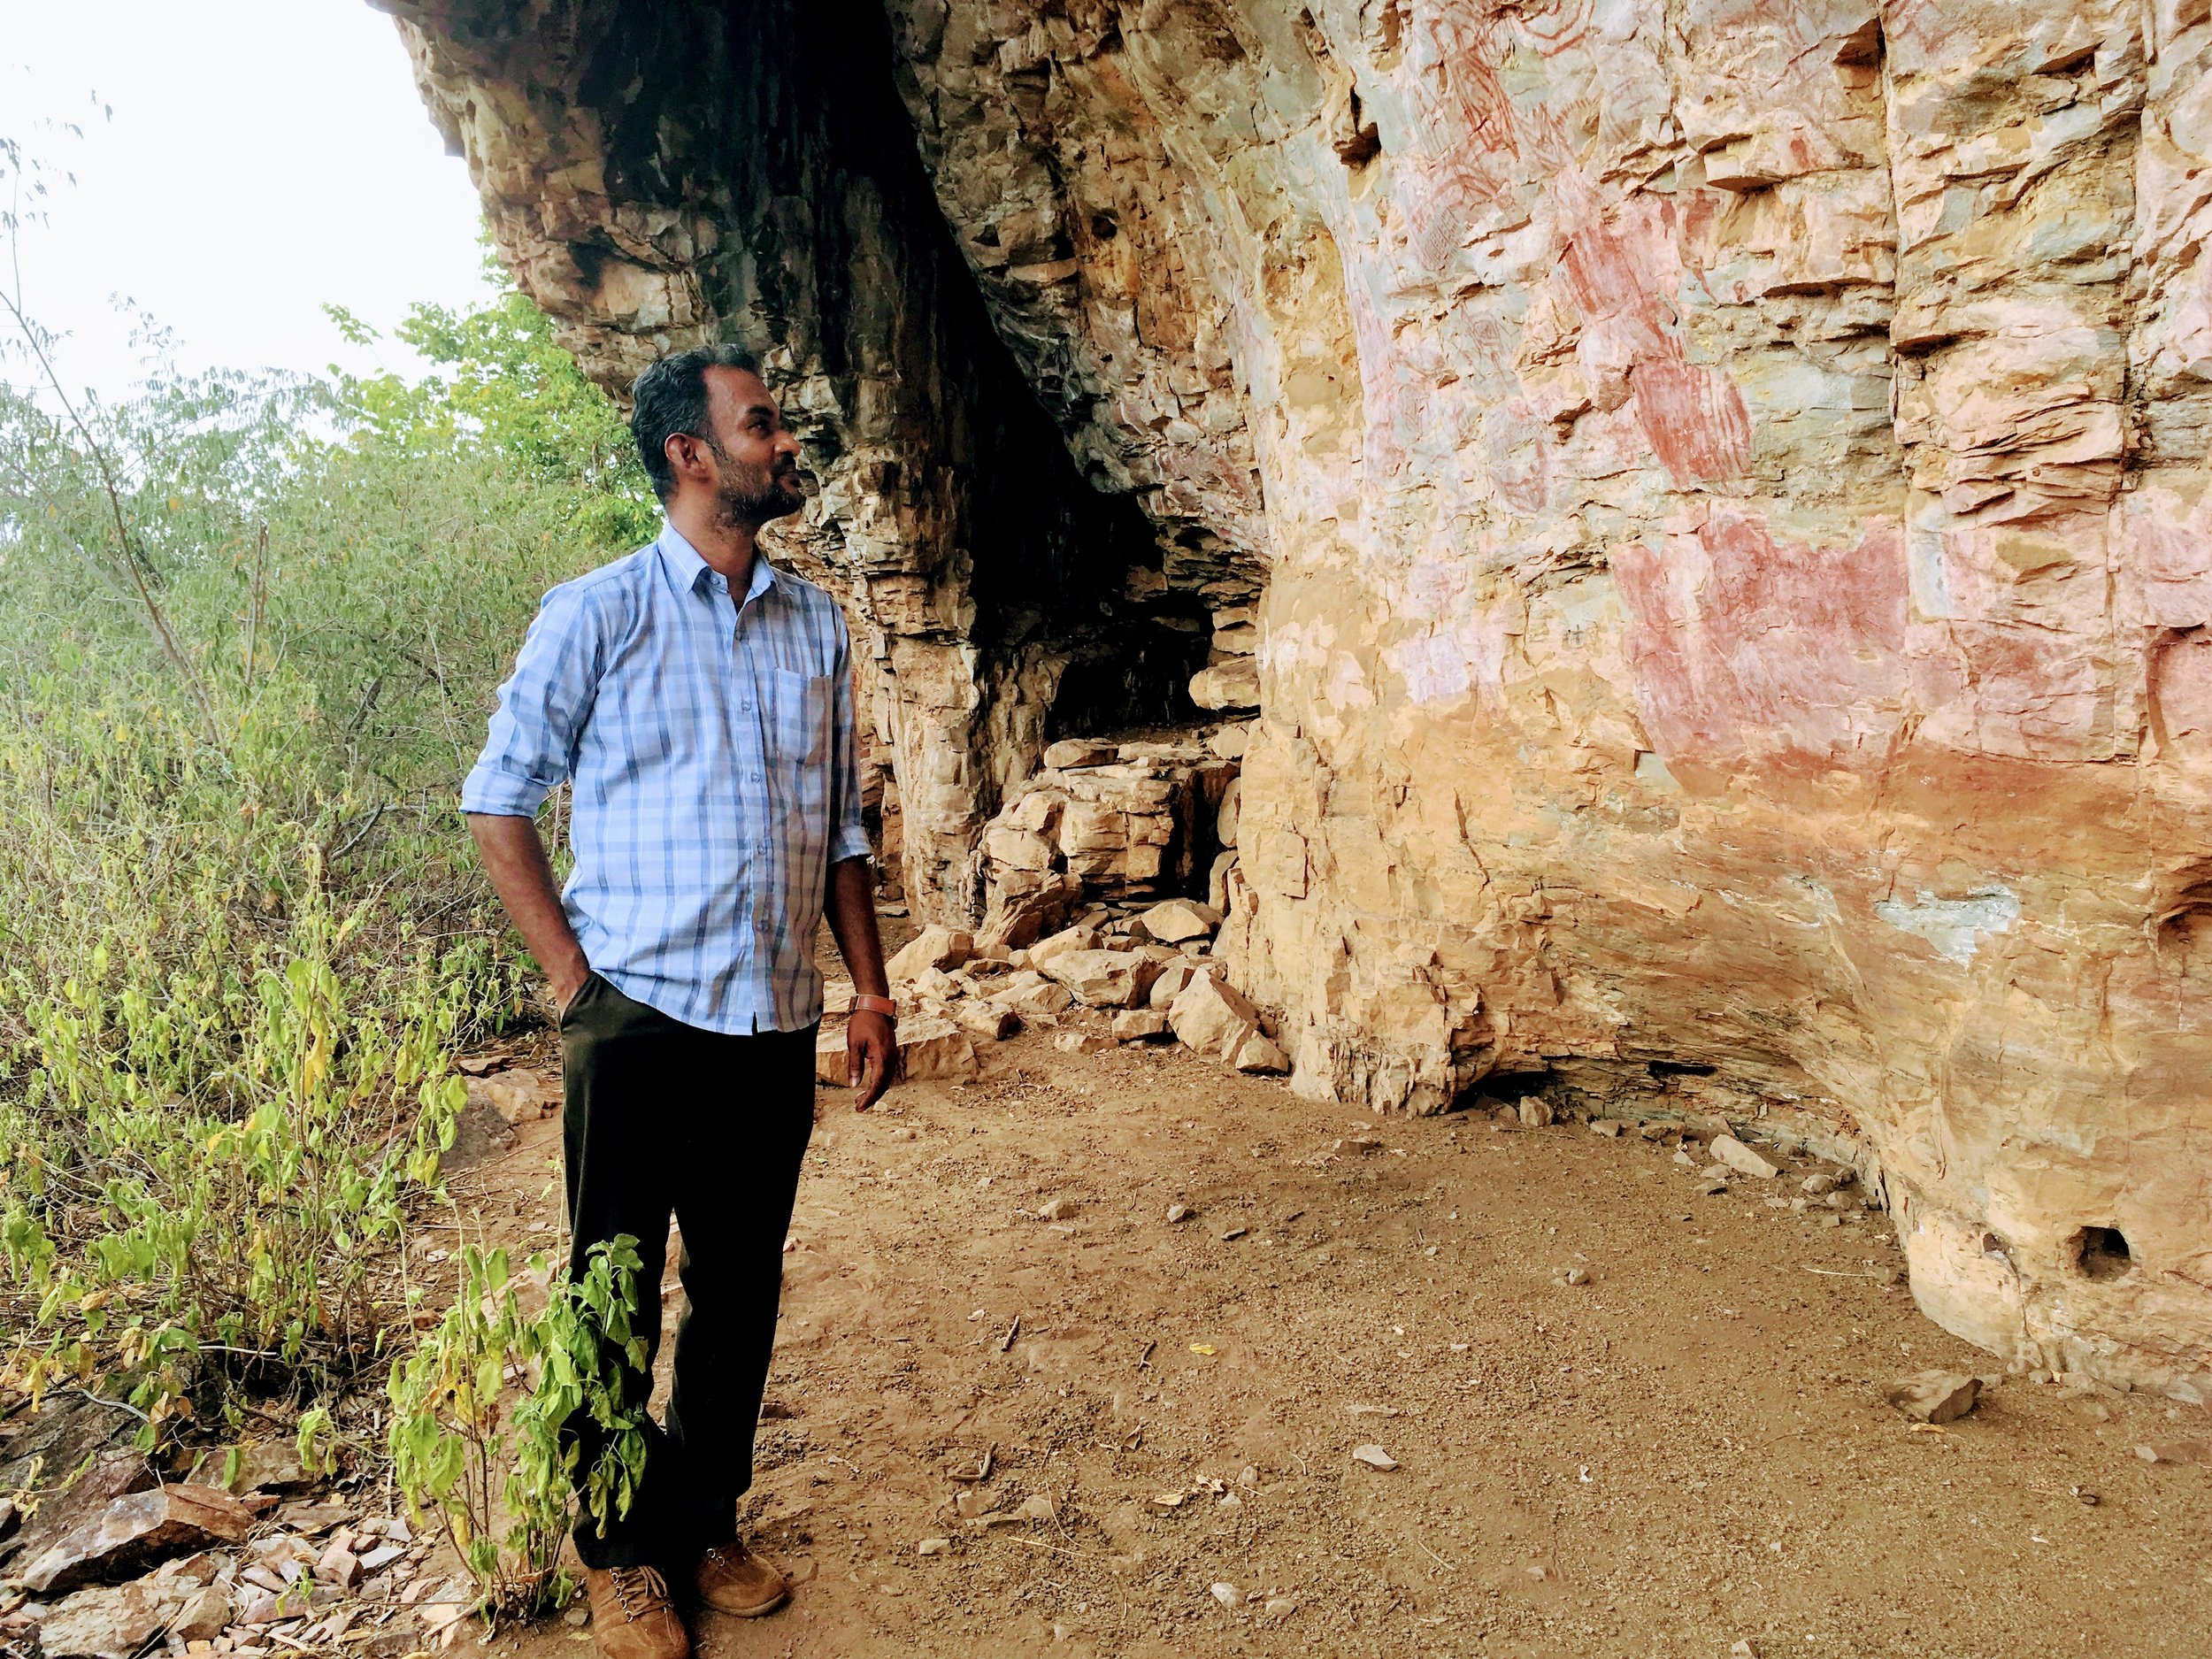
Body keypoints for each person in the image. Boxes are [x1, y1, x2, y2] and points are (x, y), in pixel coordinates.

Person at [462, 343, 896, 1659]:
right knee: (613, 1282)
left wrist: (868, 992)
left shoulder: (815, 624)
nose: (783, 440)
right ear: (690, 456)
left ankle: (704, 1520)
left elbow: (841, 832)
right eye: (758, 424)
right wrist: (571, 984)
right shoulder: (596, 612)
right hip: (637, 1011)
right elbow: (498, 800)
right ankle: (614, 1553)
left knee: (742, 1288)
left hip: (772, 1019)